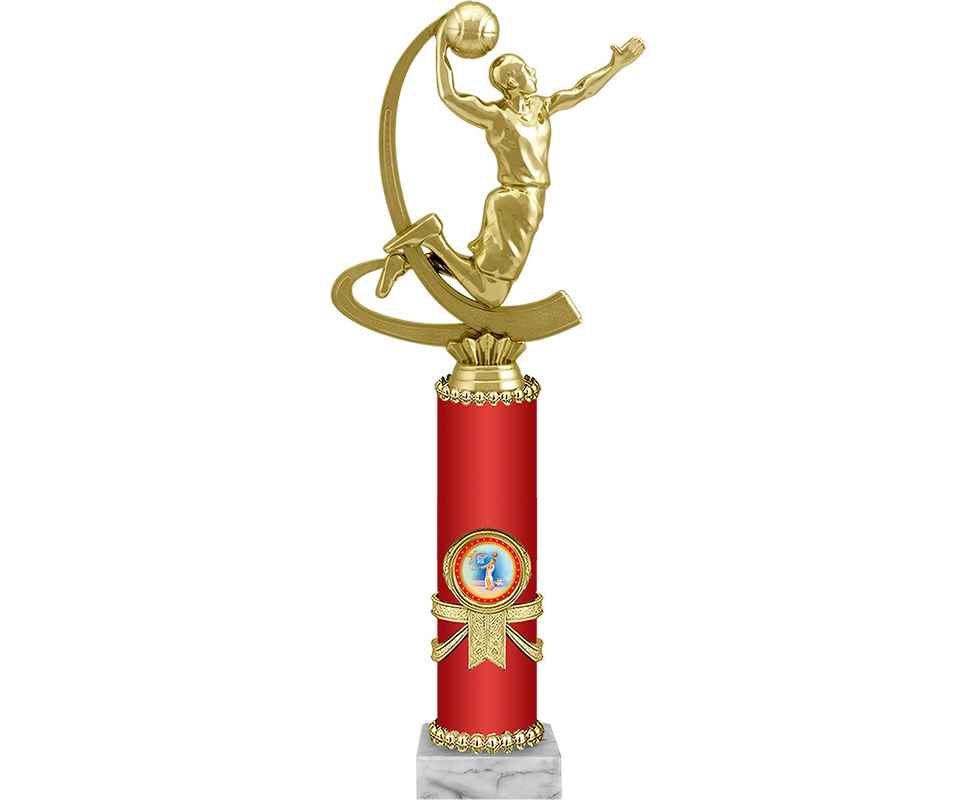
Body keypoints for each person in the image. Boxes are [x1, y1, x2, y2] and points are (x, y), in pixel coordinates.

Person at [377, 23, 645, 308]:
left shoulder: (540, 107)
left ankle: (406, 261)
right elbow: (450, 96)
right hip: (519, 202)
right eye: (527, 70)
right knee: (492, 293)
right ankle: (433, 238)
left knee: (481, 273)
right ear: (513, 82)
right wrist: (440, 45)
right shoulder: (497, 116)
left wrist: (615, 65)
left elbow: (582, 90)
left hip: (520, 201)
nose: (534, 72)